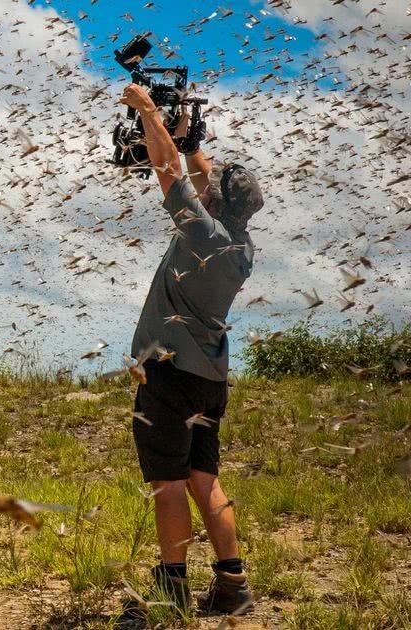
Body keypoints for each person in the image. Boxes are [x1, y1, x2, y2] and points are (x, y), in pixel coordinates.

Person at [117, 83, 265, 619]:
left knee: (168, 486)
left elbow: (169, 175)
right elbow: (200, 179)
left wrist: (150, 114)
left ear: (215, 204)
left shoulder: (201, 232)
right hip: (209, 379)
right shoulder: (239, 243)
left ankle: (171, 591)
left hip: (168, 376)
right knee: (206, 480)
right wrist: (186, 136)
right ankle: (233, 586)